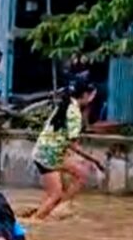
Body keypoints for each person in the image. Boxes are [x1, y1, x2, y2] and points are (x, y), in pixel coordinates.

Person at [31, 80, 105, 221]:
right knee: (55, 194)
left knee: (81, 174)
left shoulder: (67, 103)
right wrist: (95, 160)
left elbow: (64, 138)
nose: (93, 99)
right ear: (85, 95)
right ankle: (35, 221)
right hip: (48, 156)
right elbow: (73, 145)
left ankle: (57, 208)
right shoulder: (74, 113)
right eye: (92, 96)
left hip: (49, 151)